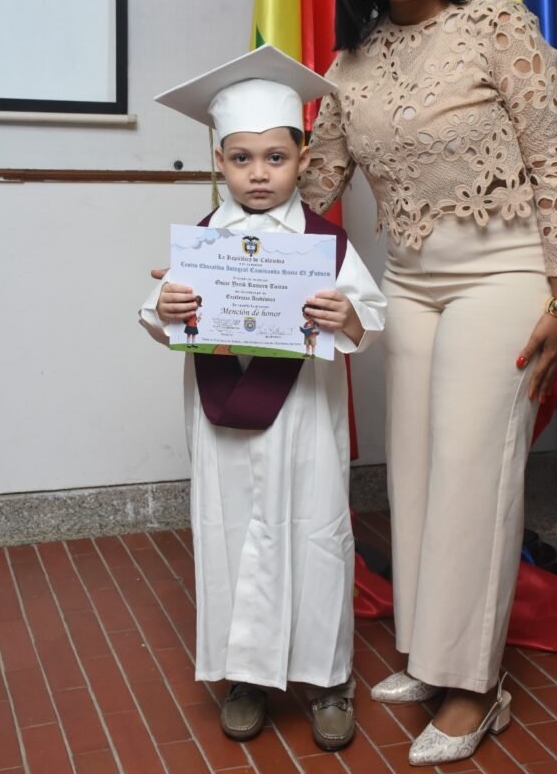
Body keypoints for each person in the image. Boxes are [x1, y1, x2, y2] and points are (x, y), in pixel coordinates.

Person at [299, 0, 557, 766]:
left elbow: (553, 161)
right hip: (411, 282)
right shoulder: (351, 63)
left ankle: (476, 687)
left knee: (472, 472)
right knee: (417, 471)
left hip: (503, 273)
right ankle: (430, 654)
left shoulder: (500, 25)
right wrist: (227, 222)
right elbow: (313, 184)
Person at [139, 46, 386, 751]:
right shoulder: (202, 243)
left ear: (303, 158)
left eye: (275, 158)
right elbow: (158, 313)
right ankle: (244, 677)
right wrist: (165, 307)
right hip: (222, 425)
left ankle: (328, 679)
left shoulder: (325, 244)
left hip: (302, 422)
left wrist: (348, 316)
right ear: (218, 160)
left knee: (315, 536)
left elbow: (372, 317)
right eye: (241, 158)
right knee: (230, 536)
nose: (258, 173)